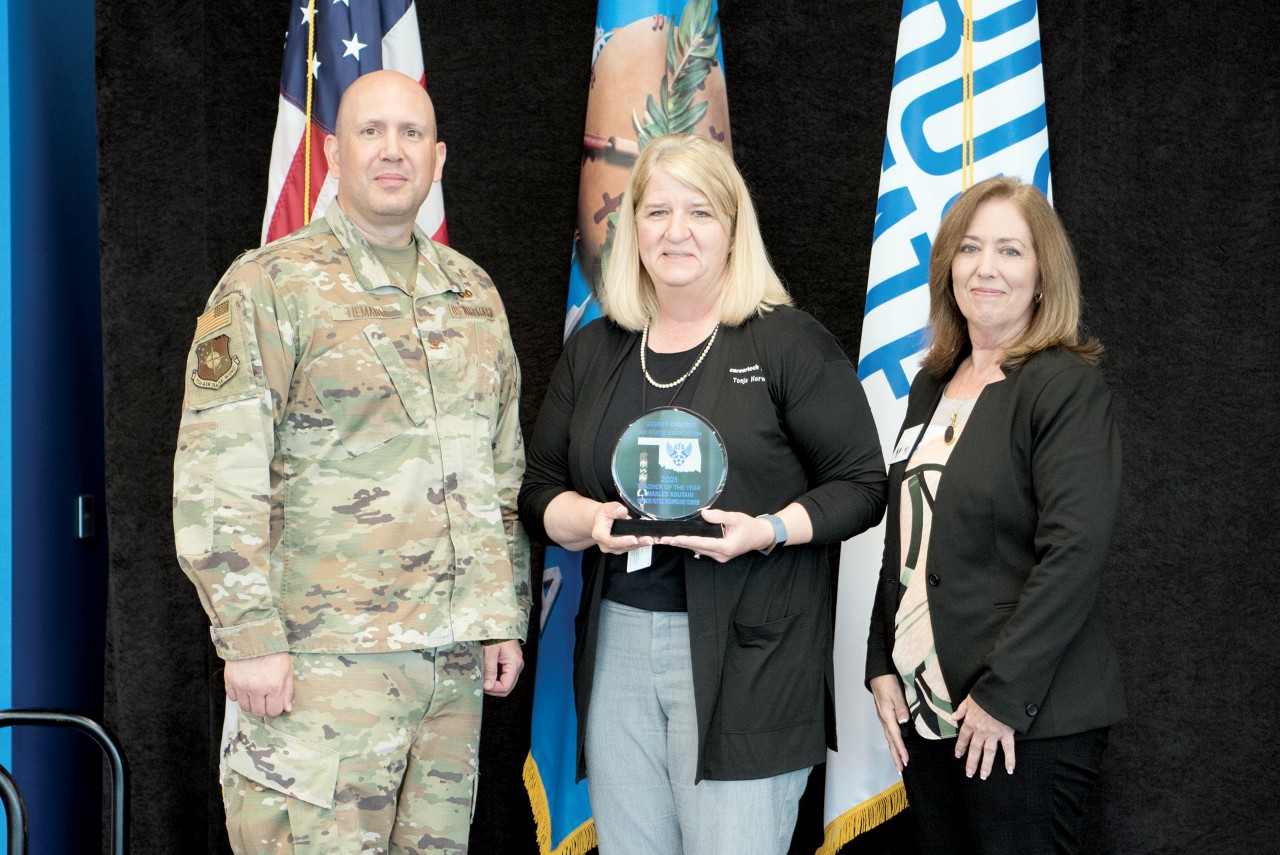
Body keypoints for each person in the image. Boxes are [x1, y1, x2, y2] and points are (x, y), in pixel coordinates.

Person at [173, 70, 530, 854]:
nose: (392, 151)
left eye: (411, 135)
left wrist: (502, 614)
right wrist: (249, 635)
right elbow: (217, 473)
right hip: (318, 665)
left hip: (450, 667)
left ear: (439, 158)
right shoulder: (270, 284)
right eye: (372, 132)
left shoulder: (473, 294)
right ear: (334, 151)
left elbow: (498, 471)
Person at [519, 133, 887, 855]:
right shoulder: (596, 350)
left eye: (699, 212)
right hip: (618, 641)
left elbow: (863, 485)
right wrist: (591, 519)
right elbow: (537, 493)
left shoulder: (787, 343)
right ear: (633, 229)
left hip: (750, 656)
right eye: (657, 212)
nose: (676, 231)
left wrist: (767, 529)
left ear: (732, 228)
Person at [865, 176, 1125, 854]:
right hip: (930, 713)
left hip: (1024, 720)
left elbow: (1074, 551)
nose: (986, 267)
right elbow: (908, 537)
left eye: (1010, 251)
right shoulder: (931, 384)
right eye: (971, 248)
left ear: (1043, 274)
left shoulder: (1063, 386)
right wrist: (880, 661)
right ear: (948, 264)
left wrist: (1003, 693)